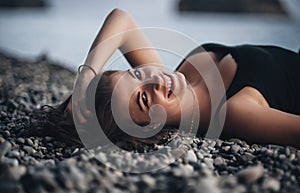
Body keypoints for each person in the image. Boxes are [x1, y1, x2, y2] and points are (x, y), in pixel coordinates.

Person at [28, 8, 300, 149]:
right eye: (144, 99)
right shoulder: (236, 112)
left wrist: (85, 77)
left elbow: (121, 20)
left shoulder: (173, 79)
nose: (154, 79)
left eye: (135, 73)